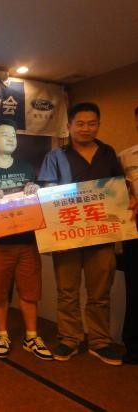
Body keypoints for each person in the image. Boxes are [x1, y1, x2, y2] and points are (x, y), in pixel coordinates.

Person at [38, 102, 126, 366]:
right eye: (80, 123)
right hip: (68, 233)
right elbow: (47, 195)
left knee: (101, 292)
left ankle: (100, 342)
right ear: (69, 126)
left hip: (102, 232)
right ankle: (69, 339)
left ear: (98, 125)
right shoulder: (55, 156)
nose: (86, 128)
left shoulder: (108, 153)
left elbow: (119, 189)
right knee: (67, 291)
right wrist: (56, 234)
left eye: (92, 123)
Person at [0, 118, 52, 361]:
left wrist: (35, 190)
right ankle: (2, 334)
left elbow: (37, 201)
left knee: (30, 291)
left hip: (27, 241)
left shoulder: (27, 167)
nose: (11, 139)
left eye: (13, 135)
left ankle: (31, 336)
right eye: (5, 135)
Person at [120, 105, 138, 364]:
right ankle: (134, 345)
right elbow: (116, 192)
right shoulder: (125, 157)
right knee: (134, 290)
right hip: (135, 231)